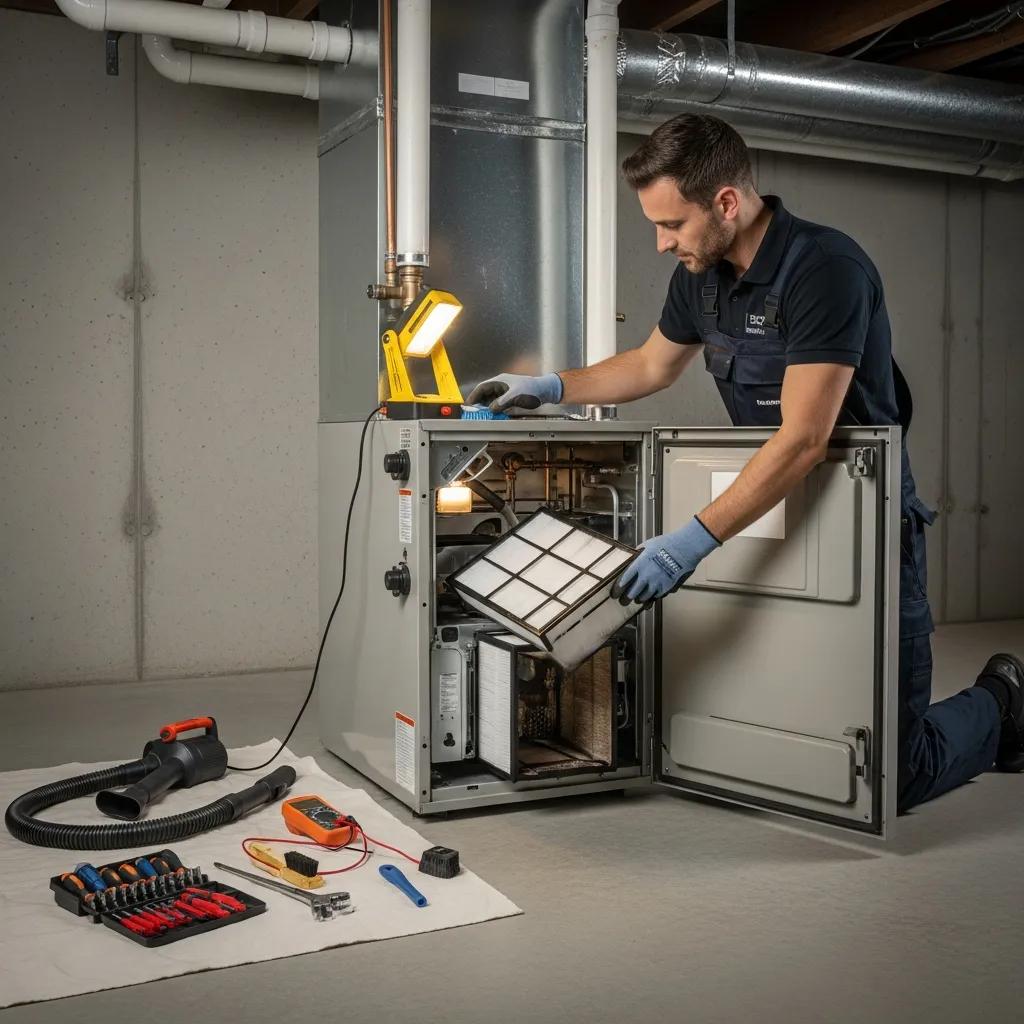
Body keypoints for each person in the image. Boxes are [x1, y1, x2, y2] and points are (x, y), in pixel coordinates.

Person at [467, 113, 1023, 812]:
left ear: (726, 202)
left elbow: (804, 437)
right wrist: (550, 387)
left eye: (672, 224)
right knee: (787, 678)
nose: (663, 242)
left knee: (897, 775)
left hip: (862, 505)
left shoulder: (824, 268)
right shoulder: (701, 277)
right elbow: (649, 364)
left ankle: (1001, 701)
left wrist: (690, 542)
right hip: (773, 495)